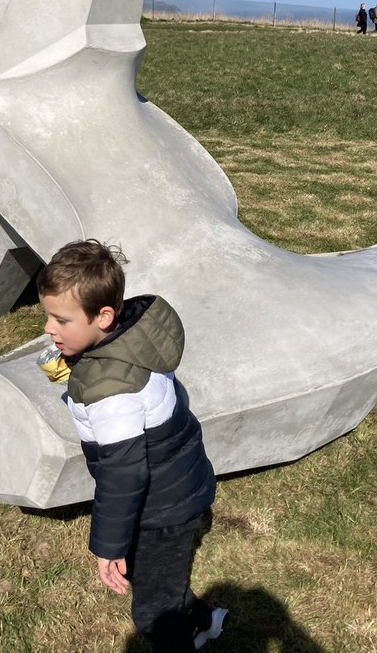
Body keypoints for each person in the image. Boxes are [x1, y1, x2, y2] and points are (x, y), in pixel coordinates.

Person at [37, 240, 226, 652]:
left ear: (103, 316)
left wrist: (109, 548)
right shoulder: (133, 338)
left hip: (163, 508)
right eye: (47, 315)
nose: (49, 329)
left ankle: (181, 634)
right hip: (177, 487)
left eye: (61, 320)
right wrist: (66, 360)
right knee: (160, 578)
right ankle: (205, 619)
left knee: (154, 613)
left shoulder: (112, 394)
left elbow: (124, 476)